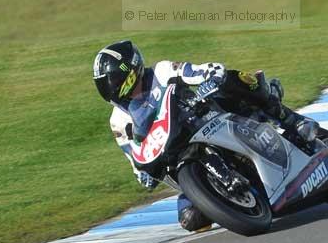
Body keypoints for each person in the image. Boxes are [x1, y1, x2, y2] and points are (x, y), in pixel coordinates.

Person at [93, 39, 308, 232]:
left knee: (232, 80)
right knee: (191, 219)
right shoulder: (118, 121)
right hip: (178, 155)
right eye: (105, 83)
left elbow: (205, 70)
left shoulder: (161, 72)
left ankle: (286, 116)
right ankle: (232, 195)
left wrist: (209, 79)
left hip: (207, 117)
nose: (111, 87)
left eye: (113, 80)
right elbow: (135, 159)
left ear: (129, 71)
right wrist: (144, 175)